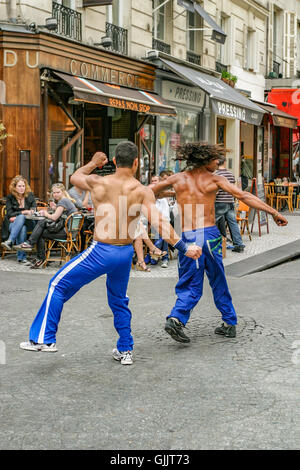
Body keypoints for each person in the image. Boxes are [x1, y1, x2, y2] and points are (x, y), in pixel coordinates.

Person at [19, 142, 202, 365]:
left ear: (115, 161)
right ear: (137, 163)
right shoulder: (142, 191)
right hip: (125, 253)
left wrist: (94, 163)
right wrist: (185, 248)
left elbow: (75, 177)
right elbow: (160, 223)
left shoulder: (99, 182)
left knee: (58, 285)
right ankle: (125, 350)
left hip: (102, 250)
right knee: (119, 300)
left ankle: (44, 339)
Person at [152, 142, 288, 343]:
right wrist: (274, 212)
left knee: (190, 281)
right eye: (216, 159)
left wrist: (171, 194)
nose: (218, 162)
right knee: (218, 278)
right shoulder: (214, 180)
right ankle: (229, 322)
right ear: (205, 160)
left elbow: (148, 191)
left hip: (189, 237)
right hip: (211, 235)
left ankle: (176, 318)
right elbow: (244, 195)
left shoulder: (178, 179)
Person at [15, 183, 77, 269]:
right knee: (41, 229)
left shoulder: (63, 201)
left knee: (41, 227)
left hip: (66, 232)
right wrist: (55, 208)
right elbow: (61, 214)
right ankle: (36, 253)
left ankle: (34, 250)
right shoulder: (65, 200)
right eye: (54, 193)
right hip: (70, 232)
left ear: (63, 192)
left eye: (57, 192)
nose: (55, 194)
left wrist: (45, 213)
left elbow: (54, 217)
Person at [1, 175, 36, 264]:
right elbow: (9, 214)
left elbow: (33, 210)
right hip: (13, 225)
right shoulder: (10, 198)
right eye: (19, 186)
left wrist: (18, 215)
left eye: (23, 186)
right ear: (14, 187)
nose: (22, 188)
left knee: (21, 219)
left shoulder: (30, 195)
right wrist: (24, 212)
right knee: (22, 227)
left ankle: (10, 241)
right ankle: (22, 258)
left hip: (30, 223)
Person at [215, 155, 245, 253]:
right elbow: (232, 188)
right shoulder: (230, 174)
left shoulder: (215, 174)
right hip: (230, 201)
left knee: (212, 223)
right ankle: (239, 244)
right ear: (225, 162)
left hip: (219, 202)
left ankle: (213, 243)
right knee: (233, 223)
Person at [148, 173, 171, 268]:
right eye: (152, 181)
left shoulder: (163, 199)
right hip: (152, 224)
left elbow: (165, 216)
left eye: (155, 181)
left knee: (162, 233)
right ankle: (163, 257)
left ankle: (152, 256)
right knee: (162, 234)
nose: (154, 183)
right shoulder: (149, 197)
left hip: (163, 223)